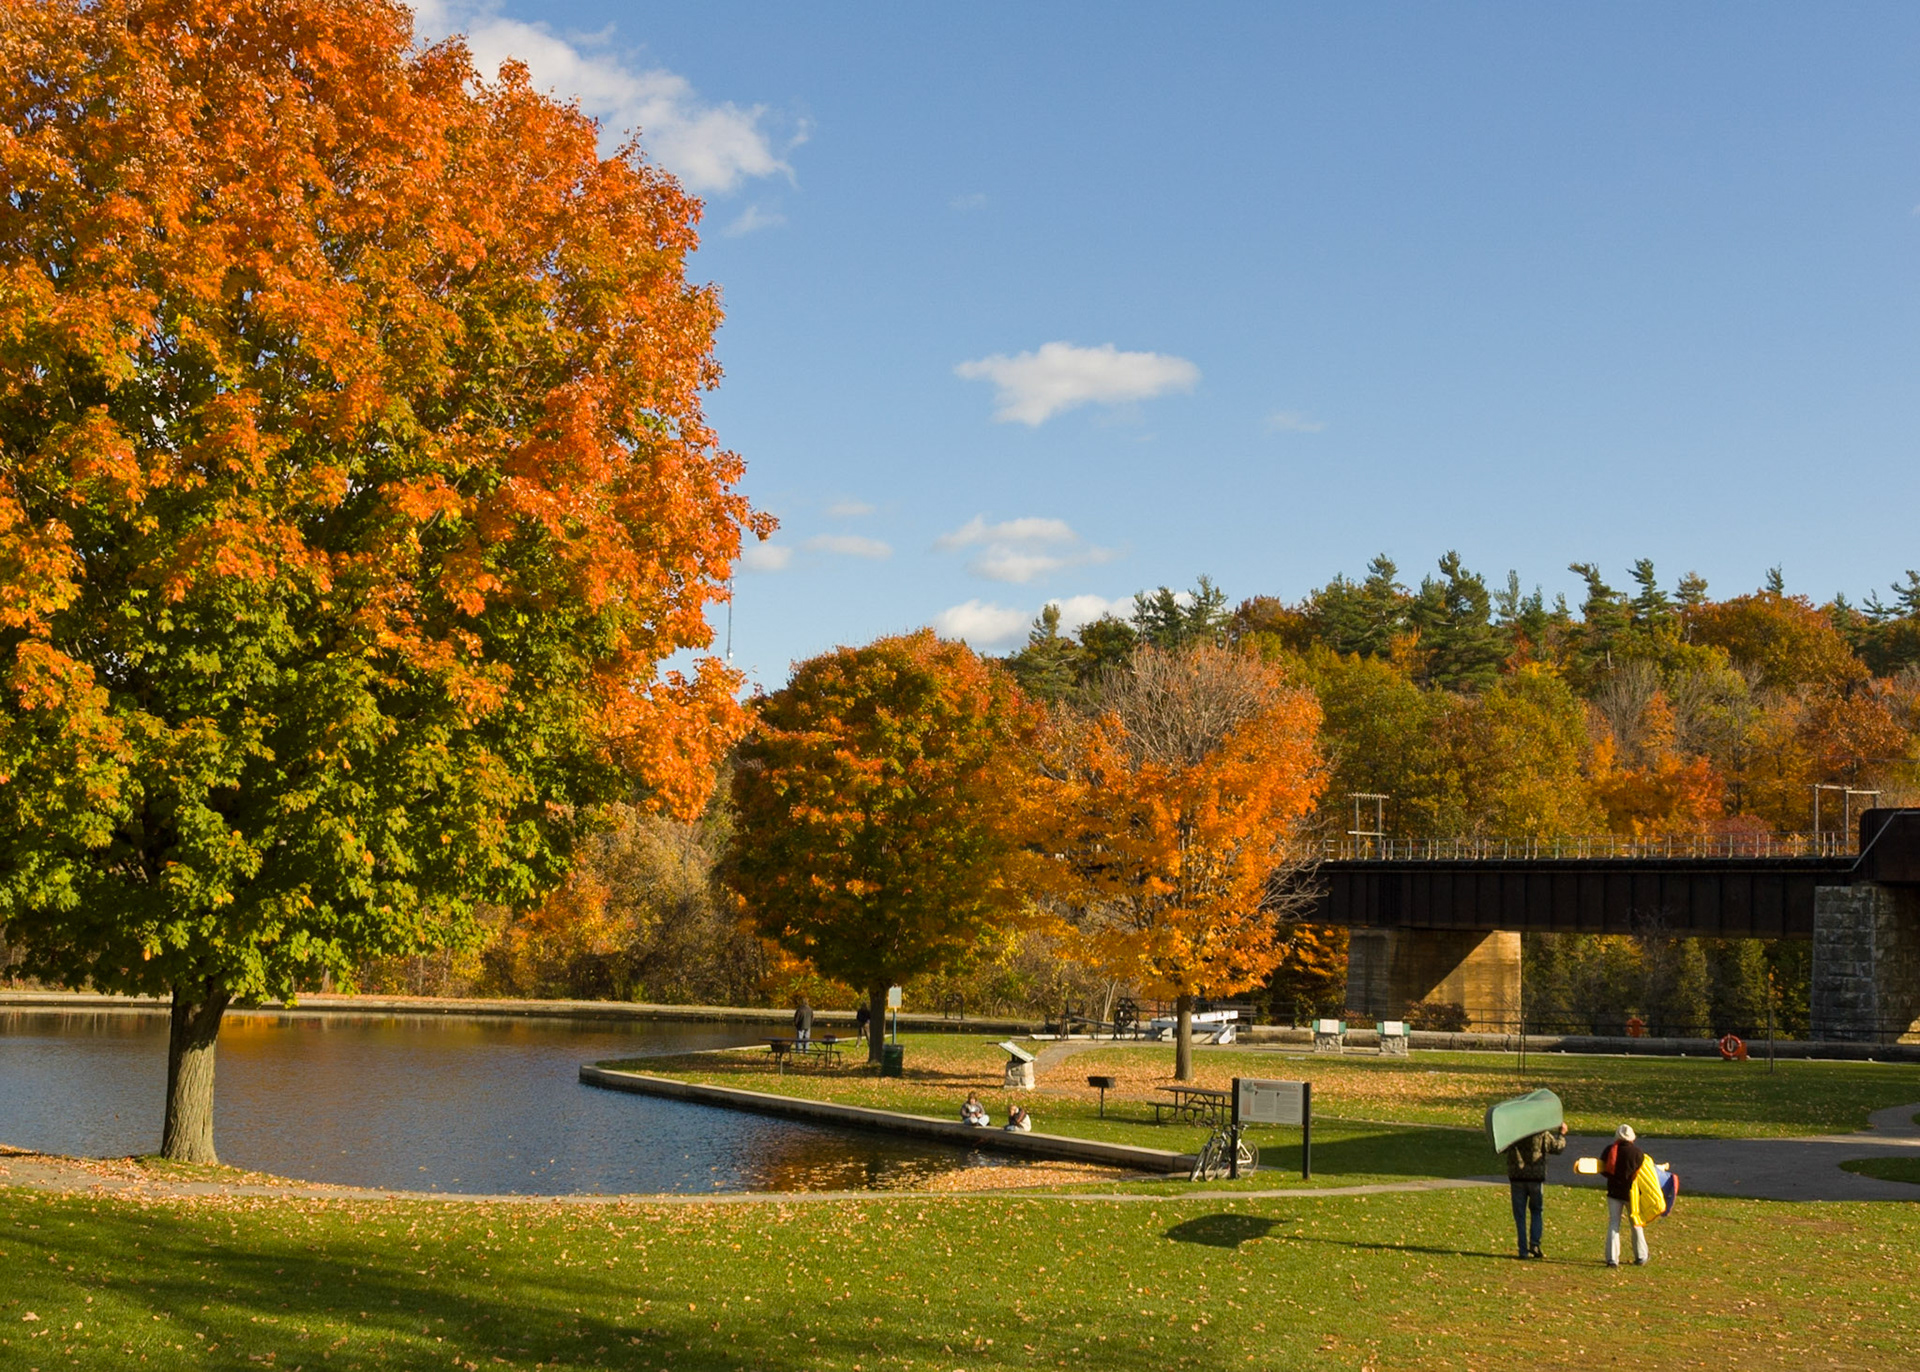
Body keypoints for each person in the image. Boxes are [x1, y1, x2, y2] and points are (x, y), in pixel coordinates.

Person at [1504, 1121, 1568, 1259]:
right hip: (1535, 1178)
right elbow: (1557, 1148)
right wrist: (1562, 1134)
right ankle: (1535, 1243)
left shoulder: (1514, 1133)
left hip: (1517, 1177)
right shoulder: (1542, 1134)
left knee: (1520, 1216)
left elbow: (1501, 1148)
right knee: (1536, 1211)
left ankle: (1522, 1250)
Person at [1600, 1124, 1649, 1267]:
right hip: (1631, 1194)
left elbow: (1603, 1169)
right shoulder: (1638, 1153)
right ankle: (1641, 1255)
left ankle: (1612, 1259)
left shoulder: (1609, 1150)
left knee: (1614, 1224)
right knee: (1636, 1224)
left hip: (1614, 1192)